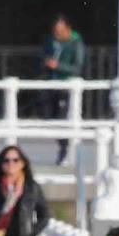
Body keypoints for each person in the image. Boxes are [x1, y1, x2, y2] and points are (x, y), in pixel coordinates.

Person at [40, 15, 86, 165]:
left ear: (68, 28)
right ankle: (62, 148)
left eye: (59, 31)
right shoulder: (51, 41)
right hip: (51, 84)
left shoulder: (76, 43)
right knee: (51, 117)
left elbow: (78, 68)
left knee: (62, 117)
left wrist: (58, 66)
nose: (57, 34)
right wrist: (45, 63)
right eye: (55, 31)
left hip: (66, 87)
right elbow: (43, 57)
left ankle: (64, 151)